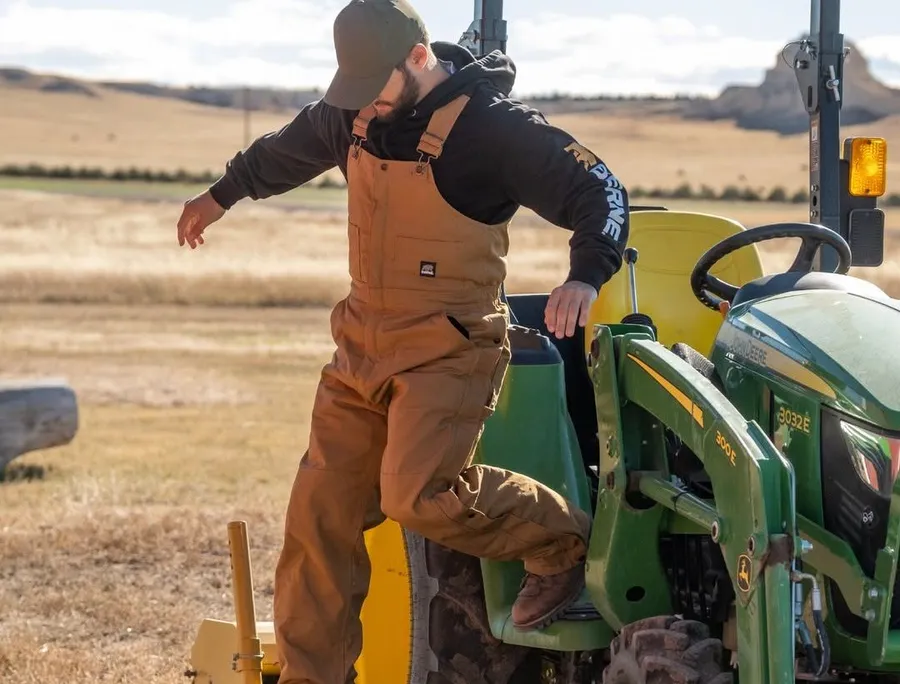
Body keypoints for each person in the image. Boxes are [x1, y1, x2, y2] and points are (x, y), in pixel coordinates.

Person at [176, 1, 630, 682]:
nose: (364, 107)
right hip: (361, 341)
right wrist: (219, 196)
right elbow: (284, 149)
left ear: (419, 60)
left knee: (417, 497)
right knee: (316, 522)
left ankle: (561, 539)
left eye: (375, 88)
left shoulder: (494, 130)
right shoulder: (355, 109)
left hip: (451, 347)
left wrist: (585, 277)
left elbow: (599, 187)